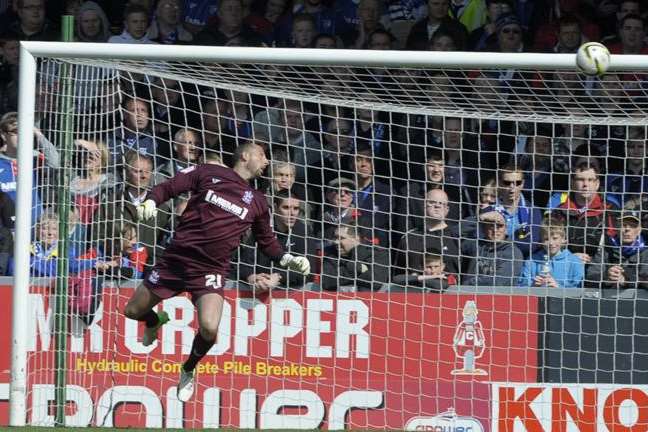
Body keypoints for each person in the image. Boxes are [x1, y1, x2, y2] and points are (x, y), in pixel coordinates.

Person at [123, 141, 310, 402]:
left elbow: (267, 242)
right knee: (132, 311)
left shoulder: (257, 200)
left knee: (210, 328)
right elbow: (169, 186)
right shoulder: (209, 172)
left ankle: (188, 369)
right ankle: (155, 321)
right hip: (176, 260)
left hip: (210, 269)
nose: (267, 162)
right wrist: (152, 201)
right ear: (245, 156)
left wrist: (288, 258)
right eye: (262, 156)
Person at [586, 211, 648, 296]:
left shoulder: (645, 252)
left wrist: (626, 279)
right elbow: (590, 278)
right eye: (623, 225)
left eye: (633, 226)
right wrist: (607, 277)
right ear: (616, 227)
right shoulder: (606, 250)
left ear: (639, 230)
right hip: (608, 301)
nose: (627, 229)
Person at [462, 204, 524, 287]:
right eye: (491, 225)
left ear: (506, 229)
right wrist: (479, 218)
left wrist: (466, 285)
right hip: (468, 296)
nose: (495, 230)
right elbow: (453, 235)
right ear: (483, 228)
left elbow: (497, 282)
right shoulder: (475, 245)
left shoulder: (513, 253)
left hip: (497, 298)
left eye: (500, 226)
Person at [518, 216, 584, 289]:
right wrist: (533, 286)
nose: (551, 243)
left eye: (555, 238)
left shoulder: (574, 261)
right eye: (546, 239)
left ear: (563, 239)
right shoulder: (531, 260)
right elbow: (521, 286)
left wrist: (558, 287)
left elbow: (578, 289)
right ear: (541, 241)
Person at [321, 224, 390, 292]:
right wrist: (356, 268)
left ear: (356, 239)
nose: (335, 242)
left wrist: (341, 273)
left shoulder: (377, 253)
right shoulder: (331, 253)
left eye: (341, 238)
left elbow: (376, 282)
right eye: (335, 237)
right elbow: (326, 281)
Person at [392, 253, 457, 292]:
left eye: (436, 266)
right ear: (421, 267)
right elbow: (396, 279)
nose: (433, 270)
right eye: (429, 267)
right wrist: (434, 276)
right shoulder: (420, 275)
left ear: (443, 266)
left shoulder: (449, 277)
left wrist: (416, 279)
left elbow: (440, 286)